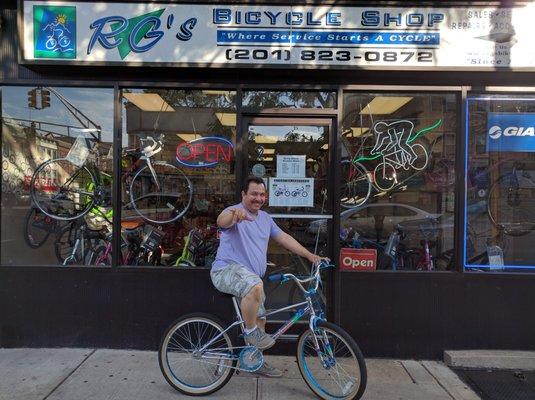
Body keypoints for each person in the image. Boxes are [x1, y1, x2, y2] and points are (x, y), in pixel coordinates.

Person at [211, 177, 328, 377]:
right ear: (243, 195)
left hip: (249, 278)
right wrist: (233, 215)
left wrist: (310, 256)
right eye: (254, 194)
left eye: (262, 195)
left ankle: (256, 362)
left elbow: (284, 238)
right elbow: (221, 221)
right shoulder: (234, 211)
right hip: (226, 271)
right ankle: (249, 333)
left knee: (262, 320)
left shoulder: (265, 218)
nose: (258, 198)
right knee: (256, 288)